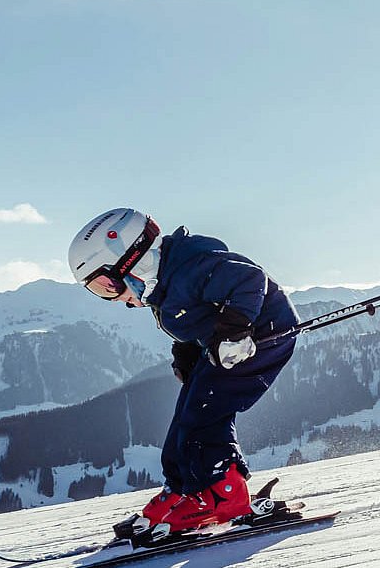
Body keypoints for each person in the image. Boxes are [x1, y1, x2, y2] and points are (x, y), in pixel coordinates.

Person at [68, 208, 299, 543]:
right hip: (224, 346)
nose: (114, 298)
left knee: (202, 418)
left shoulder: (189, 270)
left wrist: (235, 332)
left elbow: (249, 280)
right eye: (100, 290)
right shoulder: (165, 282)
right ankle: (183, 490)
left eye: (107, 285)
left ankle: (223, 494)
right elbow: (196, 316)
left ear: (135, 259)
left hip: (259, 339)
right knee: (185, 418)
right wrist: (189, 351)